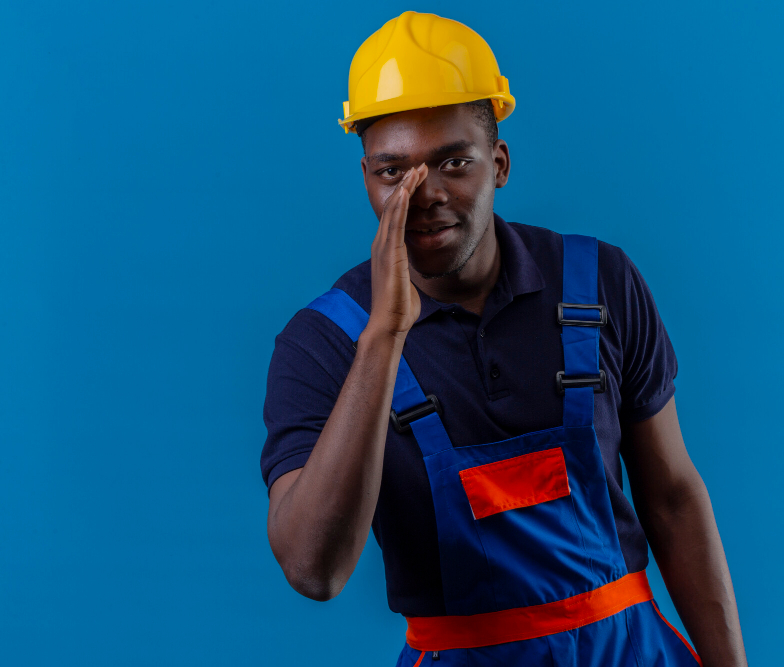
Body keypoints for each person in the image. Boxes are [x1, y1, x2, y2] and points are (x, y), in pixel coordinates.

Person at [261, 11, 748, 667]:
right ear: (367, 177)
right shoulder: (322, 343)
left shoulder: (599, 282)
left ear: (500, 163)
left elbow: (673, 499)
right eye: (393, 172)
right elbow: (313, 570)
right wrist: (383, 338)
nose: (425, 194)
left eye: (453, 162)